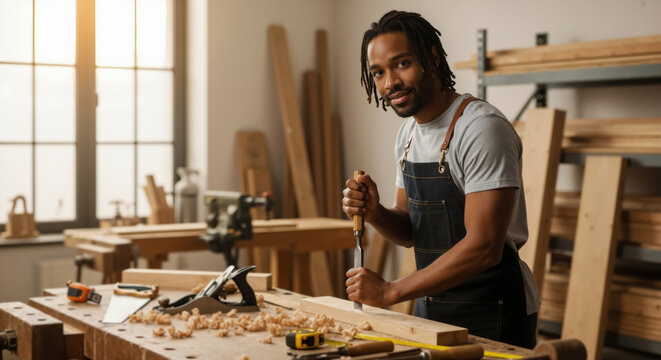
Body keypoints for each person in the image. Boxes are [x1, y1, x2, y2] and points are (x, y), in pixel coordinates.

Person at [341, 10, 540, 348]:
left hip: (494, 312)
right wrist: (375, 213)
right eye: (378, 73)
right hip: (431, 310)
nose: (390, 83)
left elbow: (484, 248)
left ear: (432, 58)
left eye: (401, 64)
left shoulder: (480, 130)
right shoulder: (408, 135)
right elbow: (409, 232)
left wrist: (390, 290)